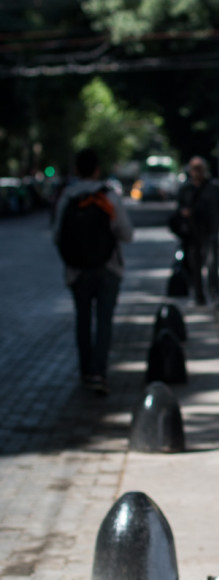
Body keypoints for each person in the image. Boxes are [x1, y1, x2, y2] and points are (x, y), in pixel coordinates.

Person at [54, 148, 133, 396]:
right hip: (108, 268)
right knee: (104, 322)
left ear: (77, 170)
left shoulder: (67, 197)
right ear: (97, 169)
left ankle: (85, 372)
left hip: (77, 272)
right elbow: (126, 233)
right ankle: (99, 373)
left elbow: (58, 236)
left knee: (83, 320)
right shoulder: (108, 196)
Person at [175, 156, 219, 306]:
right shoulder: (185, 189)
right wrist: (184, 214)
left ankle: (215, 295)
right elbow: (178, 211)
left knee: (212, 266)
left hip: (210, 231)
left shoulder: (213, 187)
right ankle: (199, 296)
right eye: (194, 169)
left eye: (200, 169)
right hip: (192, 234)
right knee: (195, 266)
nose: (197, 172)